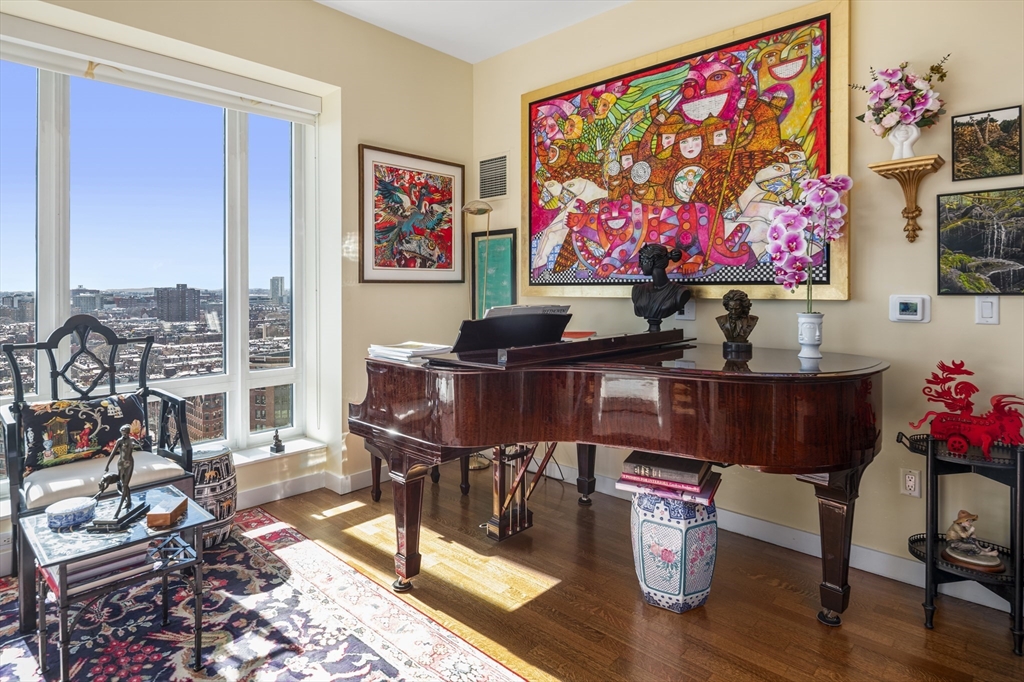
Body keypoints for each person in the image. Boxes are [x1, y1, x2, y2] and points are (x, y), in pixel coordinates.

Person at [631, 243, 691, 331]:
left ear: (653, 261)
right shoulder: (638, 290)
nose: (639, 265)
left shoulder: (679, 292)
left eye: (642, 260)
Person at [103, 424, 137, 518]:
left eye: (127, 433)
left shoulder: (132, 440)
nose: (125, 435)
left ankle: (118, 511)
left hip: (129, 463)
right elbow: (113, 453)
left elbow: (140, 444)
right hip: (120, 464)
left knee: (125, 485)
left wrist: (138, 443)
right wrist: (107, 465)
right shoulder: (119, 441)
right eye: (123, 433)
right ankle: (129, 501)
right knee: (123, 483)